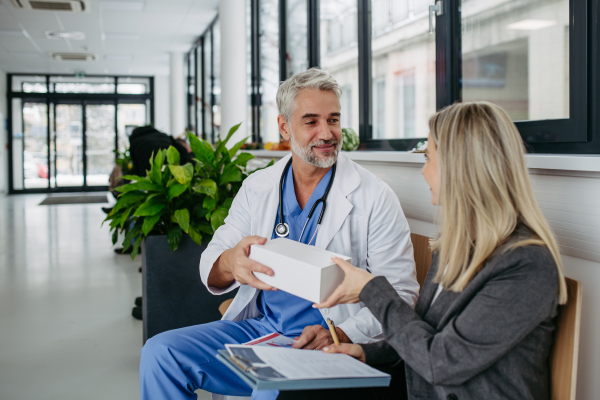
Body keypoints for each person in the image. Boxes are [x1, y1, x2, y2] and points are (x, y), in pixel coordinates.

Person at [139, 68, 420, 400]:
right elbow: (214, 261)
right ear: (284, 127)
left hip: (326, 343)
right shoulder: (259, 187)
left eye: (333, 119)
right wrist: (231, 262)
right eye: (311, 121)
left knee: (271, 393)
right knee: (160, 354)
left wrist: (341, 333)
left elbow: (400, 293)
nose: (327, 133)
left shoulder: (373, 195)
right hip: (261, 329)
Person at [277, 101, 568, 400]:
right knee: (297, 386)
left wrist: (370, 289)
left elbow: (441, 362)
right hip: (419, 386)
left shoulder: (526, 265)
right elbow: (426, 333)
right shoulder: (459, 246)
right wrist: (366, 353)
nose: (424, 171)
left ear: (462, 165)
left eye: (429, 158)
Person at [128, 125, 193, 177]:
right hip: (170, 169)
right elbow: (183, 151)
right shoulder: (163, 135)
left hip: (148, 173)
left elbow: (136, 166)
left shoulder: (135, 142)